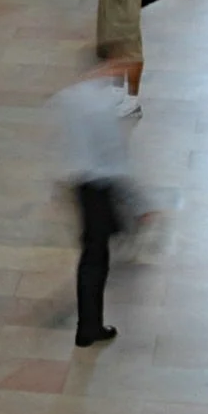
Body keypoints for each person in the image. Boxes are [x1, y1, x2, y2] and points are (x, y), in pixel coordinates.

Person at [52, 66, 134, 347]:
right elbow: (113, 154)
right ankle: (89, 326)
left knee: (93, 251)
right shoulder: (100, 106)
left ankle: (89, 323)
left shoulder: (69, 98)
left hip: (79, 183)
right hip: (97, 186)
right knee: (96, 257)